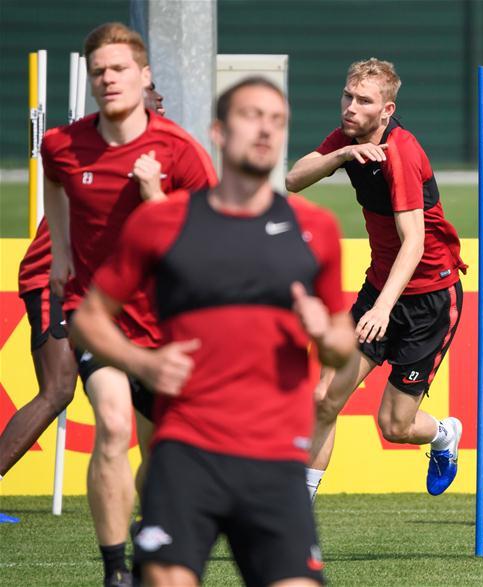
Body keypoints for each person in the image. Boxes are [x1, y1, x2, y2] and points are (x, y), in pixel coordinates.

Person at [71, 76, 355, 587]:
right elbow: (87, 319)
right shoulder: (162, 222)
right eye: (251, 116)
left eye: (276, 120)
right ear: (219, 132)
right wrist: (143, 362)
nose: (265, 129)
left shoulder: (316, 228)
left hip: (275, 459)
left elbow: (342, 350)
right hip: (187, 451)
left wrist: (326, 333)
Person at [42, 22, 216, 586]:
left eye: (119, 69)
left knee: (163, 462)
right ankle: (115, 572)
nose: (108, 79)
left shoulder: (180, 151)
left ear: (144, 76)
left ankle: (148, 532)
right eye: (99, 71)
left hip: (166, 326)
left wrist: (156, 197)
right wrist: (60, 255)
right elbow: (55, 183)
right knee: (114, 426)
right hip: (98, 318)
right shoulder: (62, 145)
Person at [285, 58, 467, 499]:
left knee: (394, 425)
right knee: (324, 398)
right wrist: (340, 155)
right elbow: (292, 179)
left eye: (364, 101)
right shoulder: (348, 138)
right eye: (348, 96)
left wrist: (384, 308)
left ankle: (444, 434)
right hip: (380, 288)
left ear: (387, 111)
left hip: (429, 299)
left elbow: (414, 243)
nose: (350, 107)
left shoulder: (399, 154)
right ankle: (299, 510)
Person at [0, 72, 169, 486]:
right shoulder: (111, 155)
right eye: (152, 92)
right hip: (53, 279)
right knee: (58, 389)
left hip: (93, 288)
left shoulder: (152, 155)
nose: (161, 98)